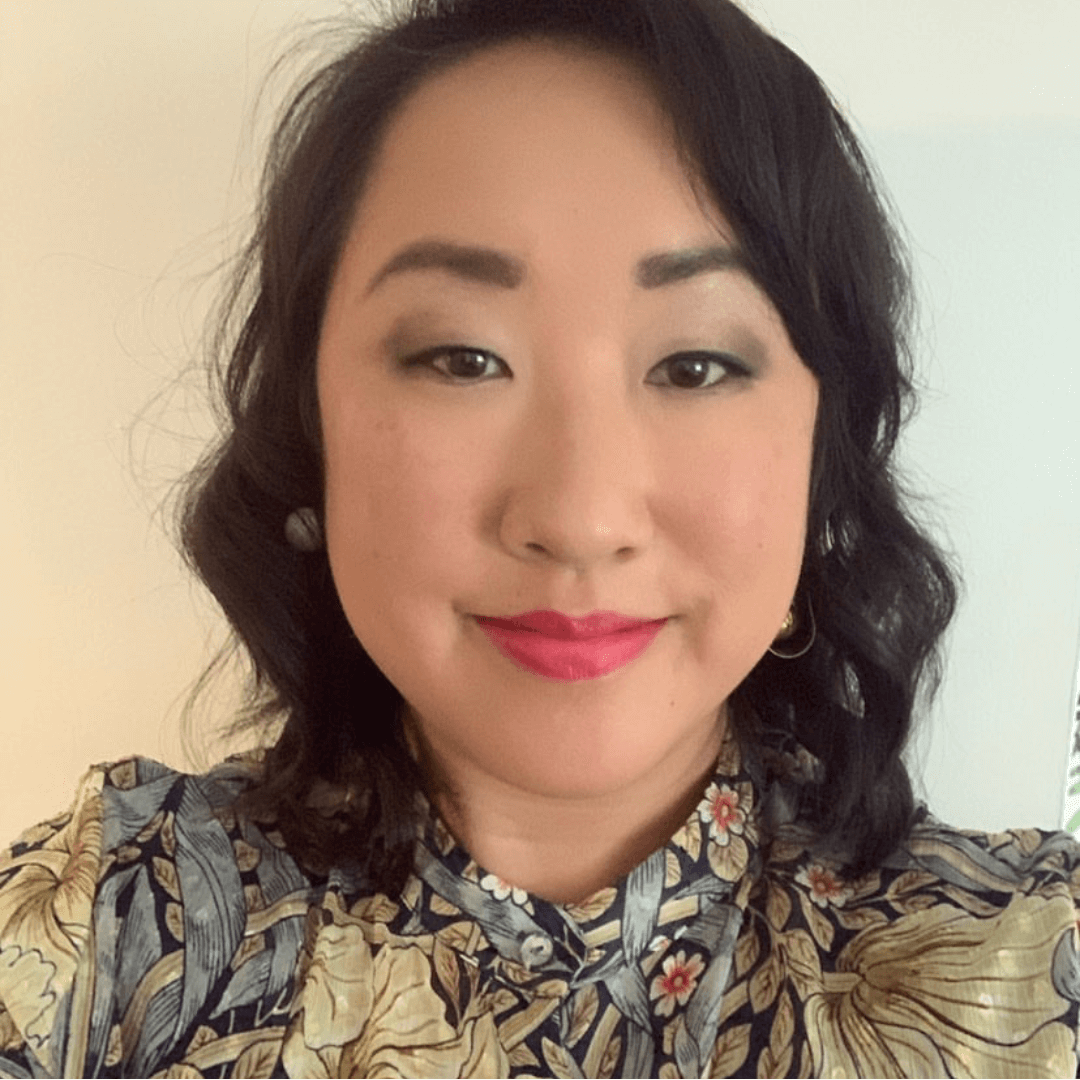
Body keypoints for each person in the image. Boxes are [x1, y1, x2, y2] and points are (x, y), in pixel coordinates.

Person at [1, 0, 1077, 1076]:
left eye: (695, 365)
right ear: (309, 429)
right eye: (463, 358)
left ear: (820, 455)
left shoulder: (1036, 975)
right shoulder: (102, 939)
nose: (579, 520)